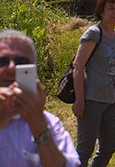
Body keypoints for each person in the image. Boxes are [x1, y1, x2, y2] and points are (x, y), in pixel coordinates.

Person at [0, 29, 80, 167]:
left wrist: (38, 124)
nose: (11, 67)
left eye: (21, 62)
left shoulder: (49, 122)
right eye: (2, 61)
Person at [71, 0, 115, 167]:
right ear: (101, 11)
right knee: (85, 149)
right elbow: (78, 66)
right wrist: (79, 101)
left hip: (108, 100)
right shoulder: (94, 33)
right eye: (110, 8)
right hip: (91, 99)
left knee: (109, 146)